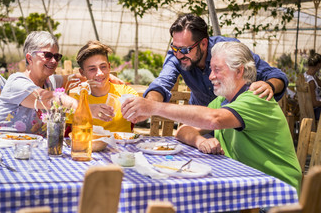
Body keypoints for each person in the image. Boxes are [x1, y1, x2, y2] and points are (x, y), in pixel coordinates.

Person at [122, 41, 302, 194]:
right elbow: (184, 129)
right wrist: (200, 141)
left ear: (239, 72)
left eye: (217, 69)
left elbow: (213, 119)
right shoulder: (223, 101)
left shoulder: (256, 98)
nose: (210, 76)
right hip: (246, 186)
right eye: (211, 69)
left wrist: (154, 107)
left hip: (276, 193)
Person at [0, 31, 122, 138]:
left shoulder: (50, 81)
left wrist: (108, 77)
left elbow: (77, 77)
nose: (53, 61)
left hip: (23, 150)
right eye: (47, 55)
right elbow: (50, 99)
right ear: (29, 58)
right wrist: (86, 109)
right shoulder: (17, 82)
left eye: (56, 56)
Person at [143, 13, 288, 109]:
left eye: (185, 50)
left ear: (204, 44)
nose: (179, 55)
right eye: (175, 48)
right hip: (203, 122)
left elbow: (275, 75)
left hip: (236, 124)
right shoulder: (177, 55)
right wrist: (148, 105)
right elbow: (162, 83)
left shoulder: (228, 50)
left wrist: (270, 85)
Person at [74, 40, 139, 132]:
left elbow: (139, 113)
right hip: (92, 145)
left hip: (121, 145)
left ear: (109, 67)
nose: (99, 73)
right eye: (92, 69)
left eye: (103, 67)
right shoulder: (79, 100)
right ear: (82, 72)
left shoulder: (126, 92)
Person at [304, 53, 321, 120]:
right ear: (319, 65)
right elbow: (314, 103)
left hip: (306, 109)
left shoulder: (306, 76)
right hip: (315, 111)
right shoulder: (311, 82)